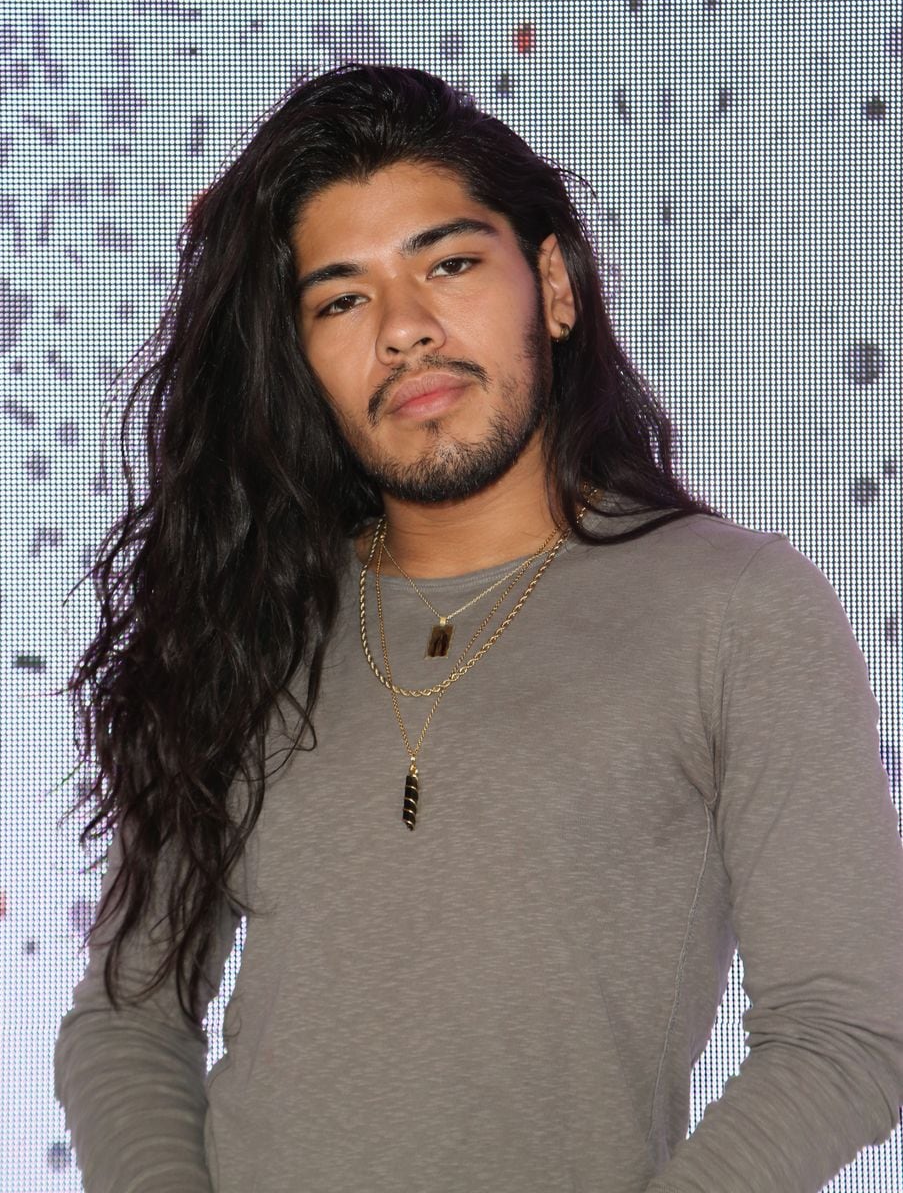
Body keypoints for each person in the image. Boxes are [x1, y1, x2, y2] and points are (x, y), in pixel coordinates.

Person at [55, 63, 903, 1193]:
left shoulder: (737, 610)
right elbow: (126, 1020)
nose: (404, 330)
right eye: (342, 299)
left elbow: (850, 1028)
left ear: (551, 285)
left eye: (448, 264)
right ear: (301, 361)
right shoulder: (245, 626)